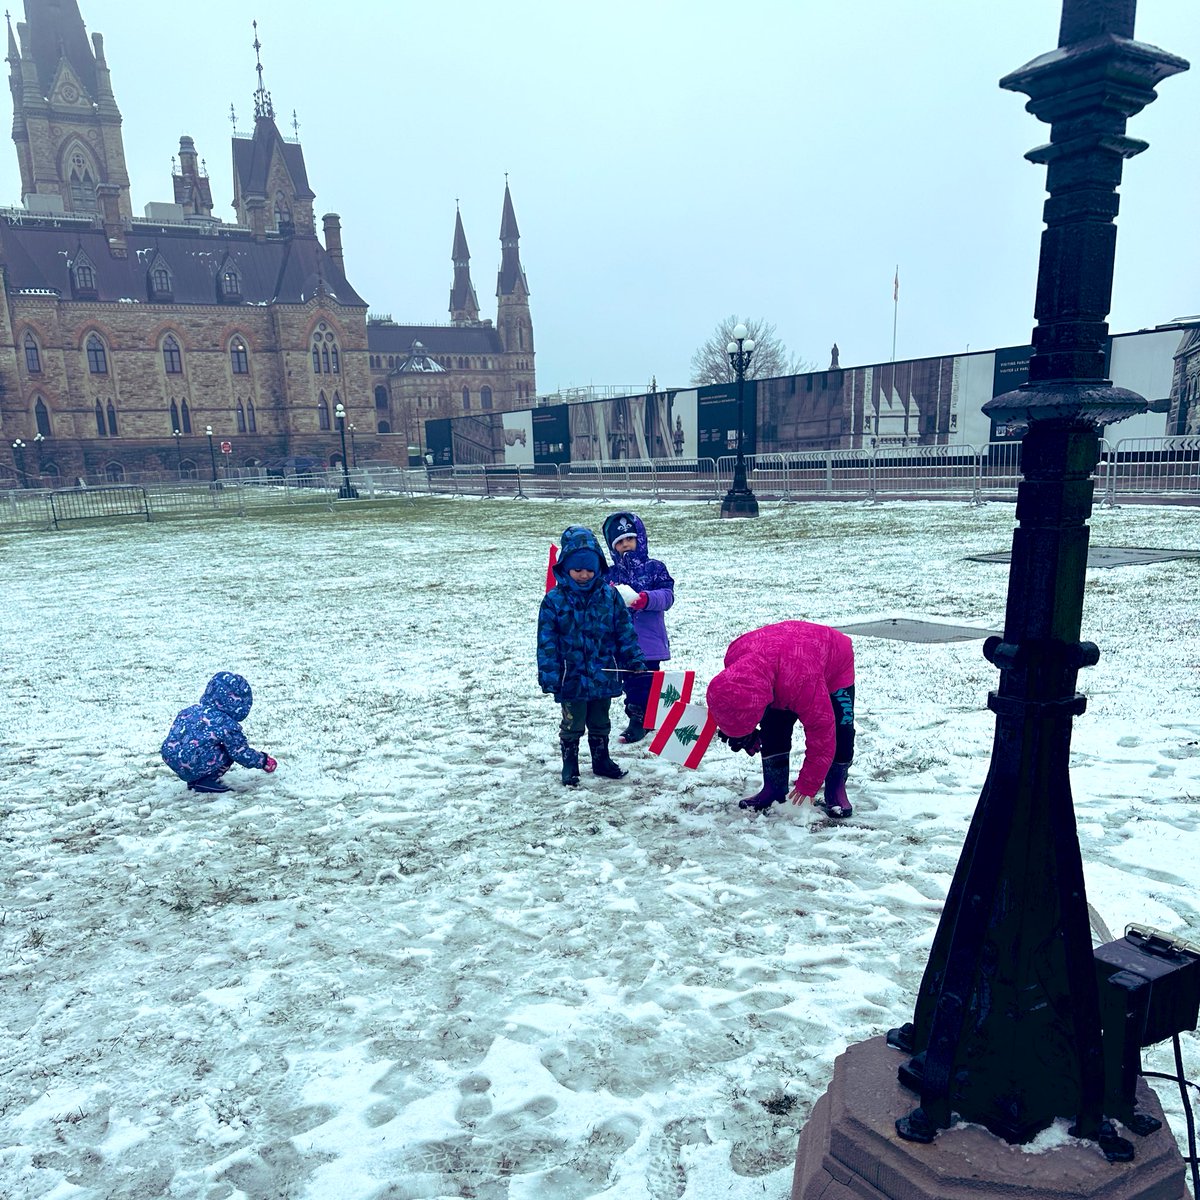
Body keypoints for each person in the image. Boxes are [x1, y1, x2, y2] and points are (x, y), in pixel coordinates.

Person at [705, 621, 856, 817]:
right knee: (773, 725)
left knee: (840, 728)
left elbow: (822, 731)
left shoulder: (802, 683)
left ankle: (835, 788)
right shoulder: (736, 658)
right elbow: (732, 701)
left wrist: (807, 785)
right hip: (785, 657)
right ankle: (774, 787)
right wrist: (741, 732)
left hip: (833, 657)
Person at [537, 525, 647, 786]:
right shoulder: (554, 601)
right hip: (570, 676)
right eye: (578, 570)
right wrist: (549, 674)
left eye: (589, 569)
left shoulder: (609, 596)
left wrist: (633, 658)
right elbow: (547, 641)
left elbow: (624, 631)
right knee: (573, 722)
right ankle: (570, 764)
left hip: (602, 673)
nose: (584, 575)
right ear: (566, 568)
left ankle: (601, 759)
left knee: (600, 720)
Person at [601, 510, 676, 743]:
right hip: (622, 642)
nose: (626, 545)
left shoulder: (655, 568)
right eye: (620, 542)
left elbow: (667, 596)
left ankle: (646, 720)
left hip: (649, 640)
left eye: (629, 539)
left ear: (639, 539)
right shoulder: (610, 574)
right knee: (633, 682)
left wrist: (646, 599)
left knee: (649, 681)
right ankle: (638, 718)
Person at [161, 671, 277, 793]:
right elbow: (240, 753)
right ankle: (206, 781)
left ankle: (195, 779)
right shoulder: (227, 724)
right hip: (192, 760)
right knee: (230, 750)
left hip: (170, 757)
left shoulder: (190, 710)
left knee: (198, 747)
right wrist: (263, 760)